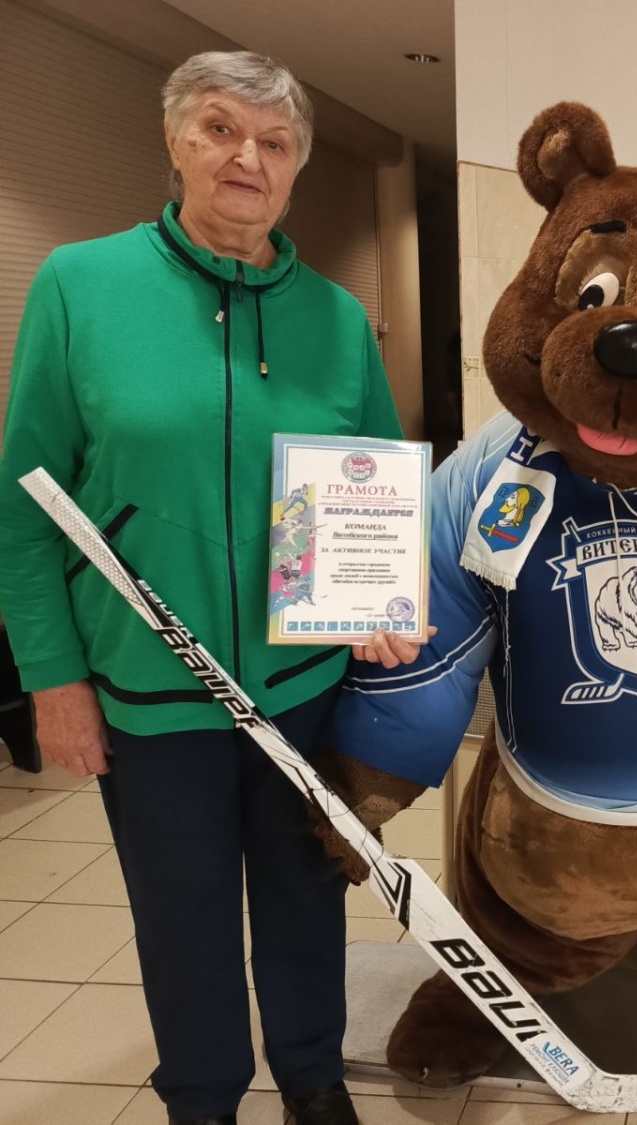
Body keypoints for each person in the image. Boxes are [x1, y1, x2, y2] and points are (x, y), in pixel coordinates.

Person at [0, 52, 415, 1125]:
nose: (249, 158)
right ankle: (201, 1094)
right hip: (148, 687)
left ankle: (315, 1080)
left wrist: (379, 607)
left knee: (305, 895)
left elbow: (371, 477)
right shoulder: (80, 285)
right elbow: (24, 501)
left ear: (295, 170)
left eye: (275, 144)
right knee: (178, 911)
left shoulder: (330, 314)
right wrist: (51, 676)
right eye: (223, 131)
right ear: (178, 143)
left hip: (304, 685)